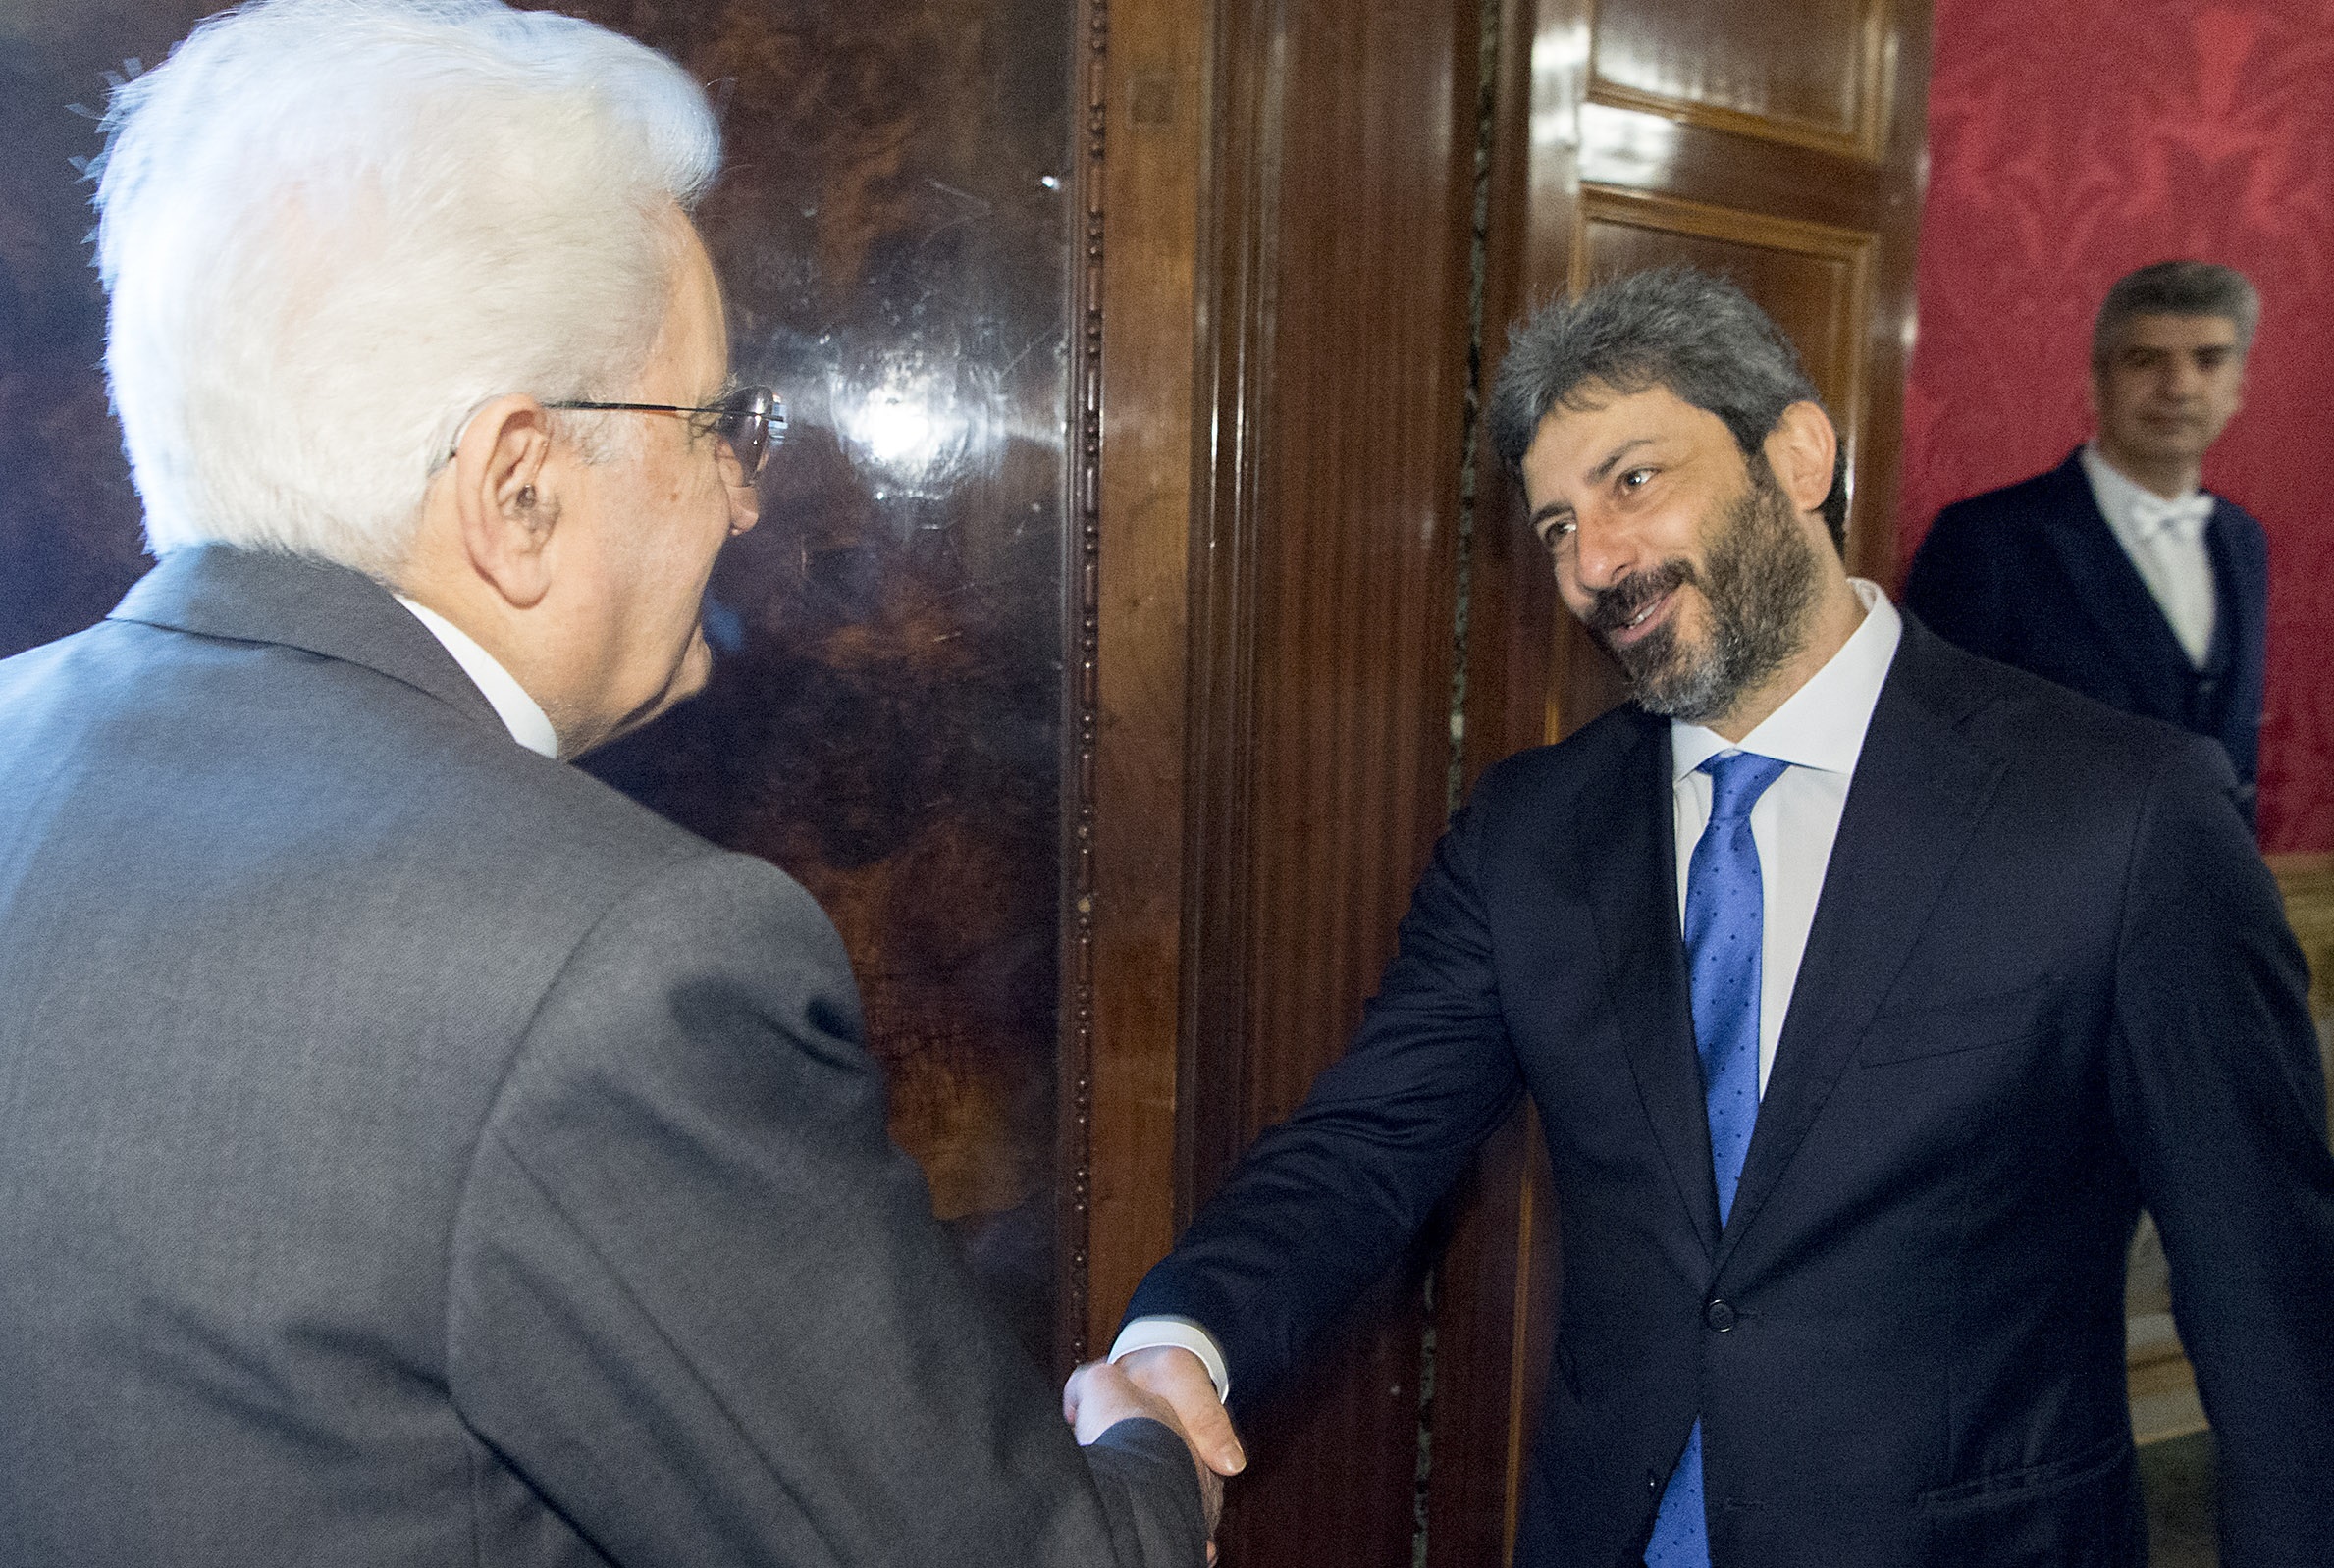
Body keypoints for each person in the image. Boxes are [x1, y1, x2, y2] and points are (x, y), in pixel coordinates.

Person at [0, 2, 1210, 1563]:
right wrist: (1143, 1450)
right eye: (712, 423)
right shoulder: (611, 967)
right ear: (517, 489)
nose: (744, 499)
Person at [1083, 268, 2334, 1566]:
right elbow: (1364, 1141)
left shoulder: (2121, 813)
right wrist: (1180, 1339)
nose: (1595, 564)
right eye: (1556, 525)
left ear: (1796, 455)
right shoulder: (1529, 835)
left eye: (1631, 479)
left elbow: (2268, 1304)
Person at [1903, 261, 2268, 825]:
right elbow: (1931, 740)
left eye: (2208, 360)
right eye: (2144, 360)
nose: (2178, 387)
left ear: (2239, 387)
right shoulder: (1984, 538)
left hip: (2211, 866)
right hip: (2042, 867)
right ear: (2096, 384)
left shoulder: (2244, 539)